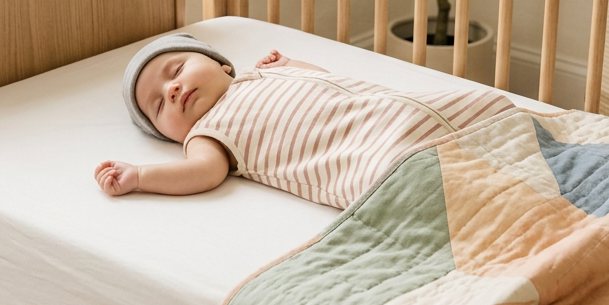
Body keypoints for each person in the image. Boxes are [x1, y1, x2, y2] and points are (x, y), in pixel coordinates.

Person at [95, 33, 515, 209]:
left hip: (393, 110)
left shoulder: (260, 74)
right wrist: (140, 175)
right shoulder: (206, 136)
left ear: (223, 66)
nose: (171, 91)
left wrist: (291, 63)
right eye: (156, 107)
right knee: (433, 180)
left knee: (483, 111)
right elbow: (200, 174)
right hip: (367, 152)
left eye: (176, 70)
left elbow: (324, 81)